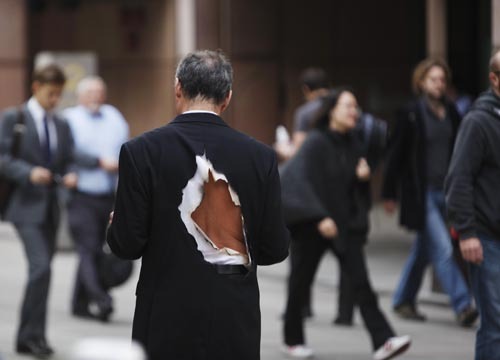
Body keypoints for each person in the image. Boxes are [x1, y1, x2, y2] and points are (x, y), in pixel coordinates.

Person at [106, 50, 290, 360]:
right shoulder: (260, 157)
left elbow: (126, 245)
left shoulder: (141, 151)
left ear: (178, 87)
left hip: (165, 314)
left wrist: (117, 224)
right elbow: (274, 249)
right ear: (228, 97)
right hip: (234, 316)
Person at [280, 89, 410, 360]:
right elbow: (296, 181)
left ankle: (383, 340)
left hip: (343, 224)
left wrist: (363, 177)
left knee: (361, 283)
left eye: (356, 108)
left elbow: (349, 187)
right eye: (348, 107)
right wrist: (318, 217)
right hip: (313, 226)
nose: (355, 112)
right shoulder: (316, 142)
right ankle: (292, 339)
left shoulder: (353, 143)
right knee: (300, 284)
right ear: (332, 111)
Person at [382, 58, 478, 326]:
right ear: (421, 82)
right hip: (421, 193)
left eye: (442, 80)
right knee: (445, 248)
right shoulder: (411, 113)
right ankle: (462, 305)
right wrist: (389, 194)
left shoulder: (452, 112)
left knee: (424, 250)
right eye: (433, 79)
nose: (439, 84)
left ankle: (403, 299)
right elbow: (396, 156)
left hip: (449, 192)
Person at [0, 64, 78, 358]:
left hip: (51, 207)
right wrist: (28, 172)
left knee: (44, 272)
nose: (55, 100)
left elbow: (68, 159)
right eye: (51, 94)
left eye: (59, 94)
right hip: (24, 206)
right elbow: (2, 158)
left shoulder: (61, 124)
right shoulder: (14, 117)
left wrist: (69, 175)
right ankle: (27, 335)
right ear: (36, 88)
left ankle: (35, 337)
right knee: (41, 267)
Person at [445, 50, 500, 359]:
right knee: (495, 324)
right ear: (494, 79)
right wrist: (467, 232)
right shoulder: (478, 122)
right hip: (488, 237)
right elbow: (459, 179)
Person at [63, 76, 129, 322]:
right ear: (80, 95)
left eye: (100, 91)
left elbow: (126, 149)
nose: (96, 96)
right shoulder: (70, 118)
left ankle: (78, 303)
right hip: (80, 194)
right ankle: (102, 299)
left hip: (108, 195)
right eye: (90, 91)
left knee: (96, 251)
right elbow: (67, 151)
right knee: (87, 248)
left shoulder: (114, 116)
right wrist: (99, 162)